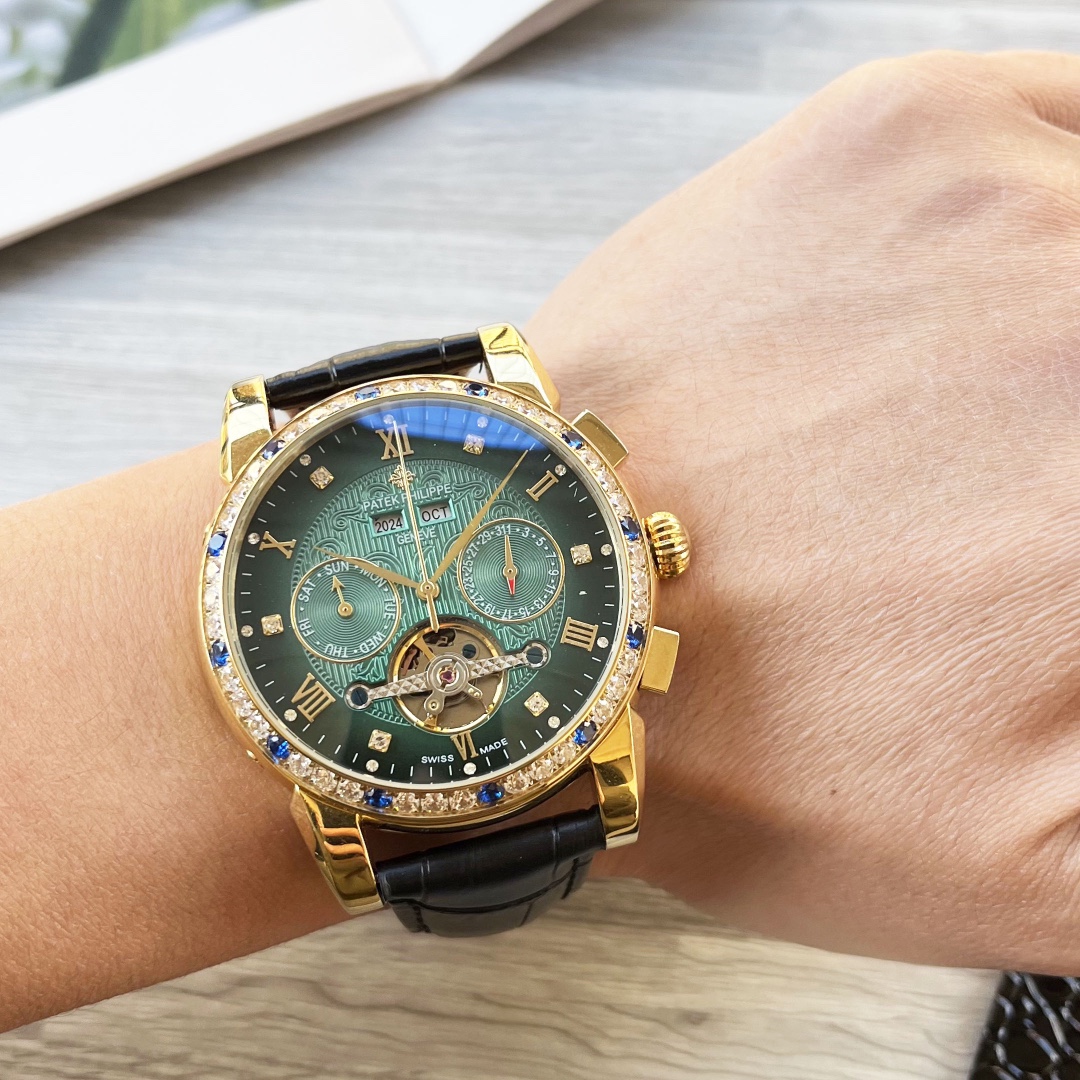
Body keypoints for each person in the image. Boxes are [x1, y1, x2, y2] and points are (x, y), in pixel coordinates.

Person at [3, 48, 1079, 1033]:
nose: (431, 617)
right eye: (355, 593)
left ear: (652, 550)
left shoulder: (588, 648)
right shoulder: (278, 495)